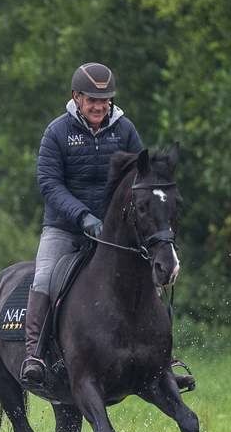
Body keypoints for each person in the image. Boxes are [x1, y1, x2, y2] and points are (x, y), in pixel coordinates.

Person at [21, 62, 144, 386]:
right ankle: (34, 355)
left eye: (105, 101)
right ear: (77, 97)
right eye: (92, 100)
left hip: (112, 233)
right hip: (65, 227)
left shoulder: (125, 131)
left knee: (150, 278)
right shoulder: (57, 132)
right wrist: (82, 217)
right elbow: (49, 183)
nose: (99, 107)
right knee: (45, 276)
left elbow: (141, 178)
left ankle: (161, 357)